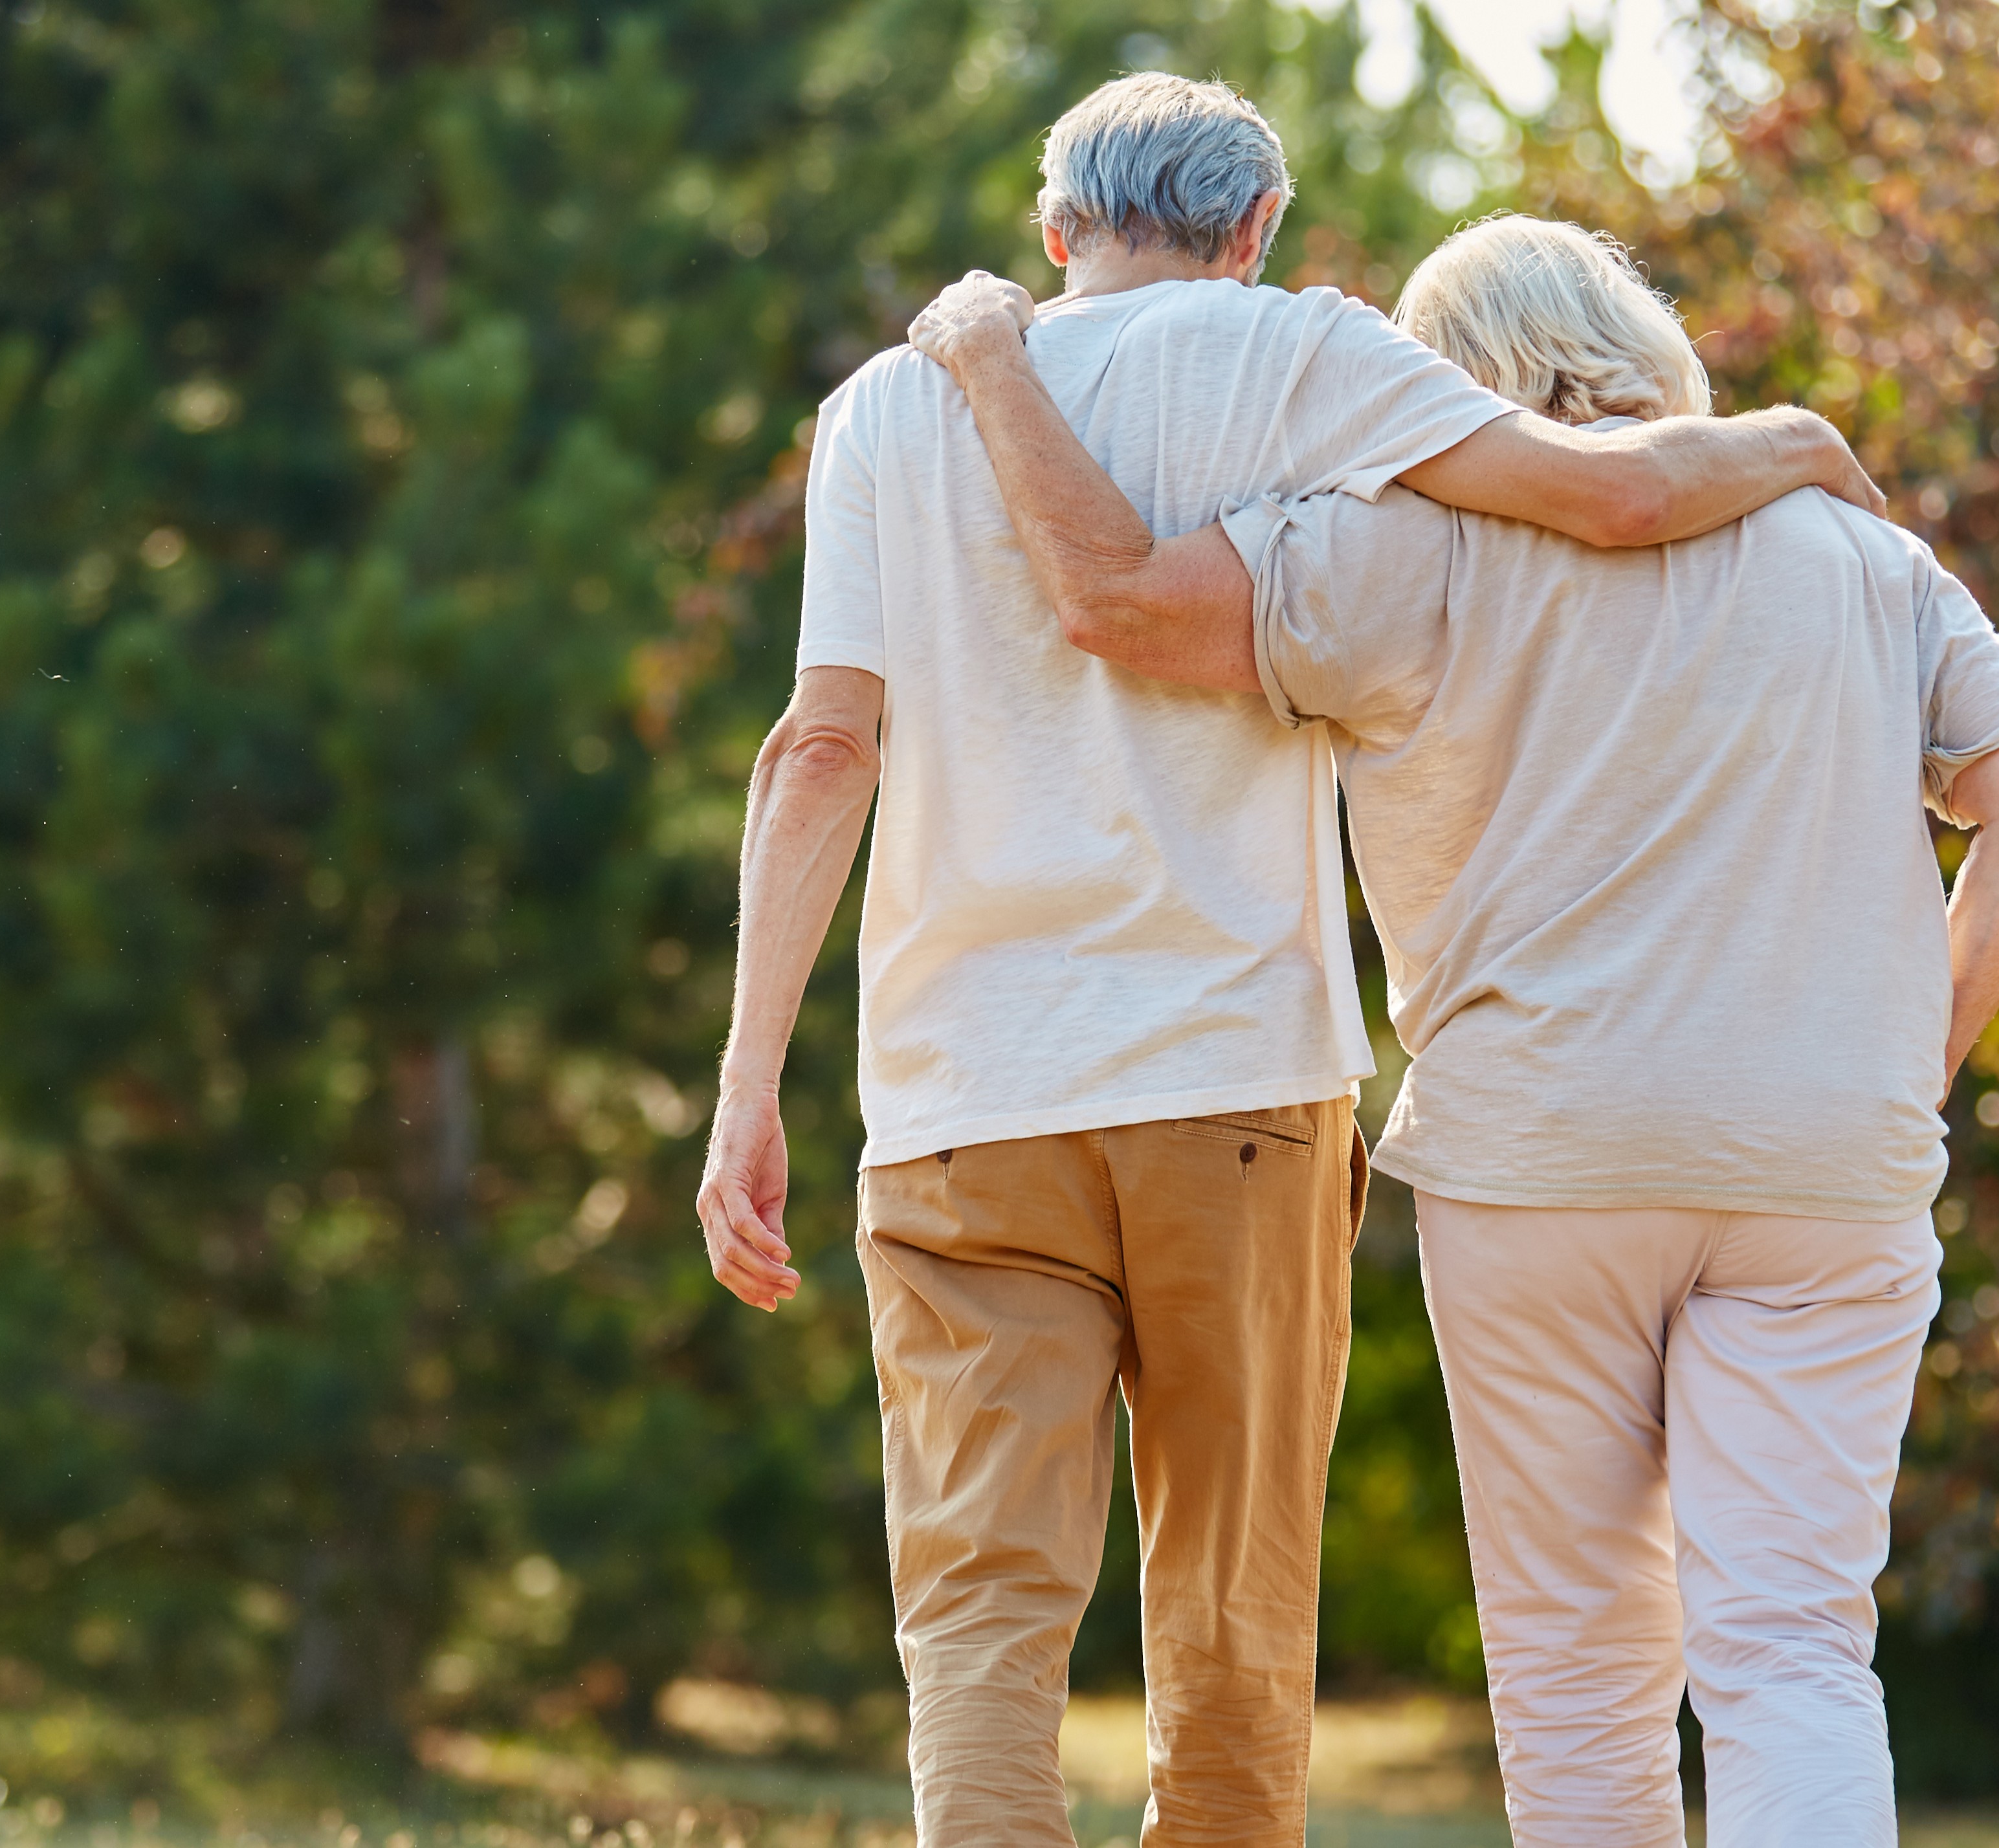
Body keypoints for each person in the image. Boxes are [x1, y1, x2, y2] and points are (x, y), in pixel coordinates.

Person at [692, 76, 1883, 1847]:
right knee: (1233, 1632)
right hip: (1236, 1098)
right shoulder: (1304, 360)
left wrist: (744, 1095)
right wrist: (1788, 443)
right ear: (1253, 232)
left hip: (960, 1103)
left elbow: (822, 751)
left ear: (1054, 227)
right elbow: (1605, 499)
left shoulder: (887, 407)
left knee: (980, 1627)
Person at [904, 215, 1999, 1846]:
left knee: (1579, 1680)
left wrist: (992, 362)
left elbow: (1117, 601)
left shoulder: (1399, 546)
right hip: (1829, 1163)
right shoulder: (1859, 555)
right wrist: (1916, 1053)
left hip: (1539, 1164)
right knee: (1796, 1655)